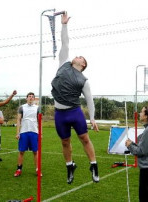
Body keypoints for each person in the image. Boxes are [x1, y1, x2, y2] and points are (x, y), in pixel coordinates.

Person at [51, 12, 99, 184]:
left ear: (83, 64)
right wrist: (64, 25)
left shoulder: (83, 80)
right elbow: (65, 42)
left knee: (85, 139)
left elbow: (90, 100)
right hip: (60, 114)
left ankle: (93, 165)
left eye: (80, 57)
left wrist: (92, 118)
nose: (76, 55)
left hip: (74, 112)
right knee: (65, 142)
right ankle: (70, 166)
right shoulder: (64, 62)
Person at [125, 105, 148, 202]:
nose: (139, 114)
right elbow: (145, 148)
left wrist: (129, 146)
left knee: (146, 197)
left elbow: (142, 151)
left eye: (141, 112)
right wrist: (132, 143)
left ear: (146, 116)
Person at [13, 92, 41, 177]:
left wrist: (40, 133)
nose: (31, 98)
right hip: (24, 132)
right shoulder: (22, 107)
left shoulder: (37, 108)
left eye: (32, 97)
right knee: (21, 151)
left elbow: (39, 121)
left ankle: (37, 170)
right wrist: (17, 132)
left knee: (35, 152)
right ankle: (19, 169)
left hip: (34, 132)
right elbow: (18, 120)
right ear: (26, 98)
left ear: (34, 99)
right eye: (29, 96)